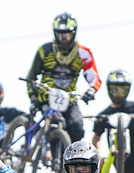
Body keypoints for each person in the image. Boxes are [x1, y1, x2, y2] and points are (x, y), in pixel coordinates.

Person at [25, 12, 101, 143]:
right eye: (60, 34)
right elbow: (31, 78)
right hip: (47, 98)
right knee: (55, 121)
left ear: (74, 33)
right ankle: (50, 154)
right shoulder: (44, 50)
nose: (64, 38)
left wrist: (91, 91)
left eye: (67, 34)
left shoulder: (83, 53)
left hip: (69, 99)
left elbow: (94, 78)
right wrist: (33, 98)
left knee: (77, 128)